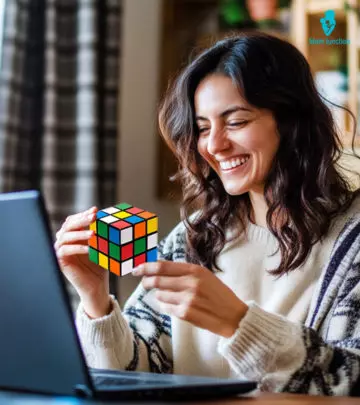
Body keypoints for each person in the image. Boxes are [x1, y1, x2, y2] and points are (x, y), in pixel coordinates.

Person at [54, 32, 360, 395]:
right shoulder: (194, 237)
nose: (214, 145)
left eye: (236, 122)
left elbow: (350, 382)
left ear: (292, 122)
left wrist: (238, 323)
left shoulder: (351, 243)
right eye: (202, 128)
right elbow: (134, 375)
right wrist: (95, 299)